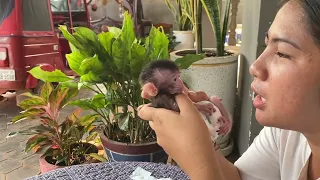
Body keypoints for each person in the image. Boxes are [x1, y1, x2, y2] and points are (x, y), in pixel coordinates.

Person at [137, 0, 320, 179]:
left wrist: (201, 166)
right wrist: (200, 146)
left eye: (282, 53)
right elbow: (239, 177)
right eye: (266, 45)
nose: (255, 67)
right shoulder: (287, 132)